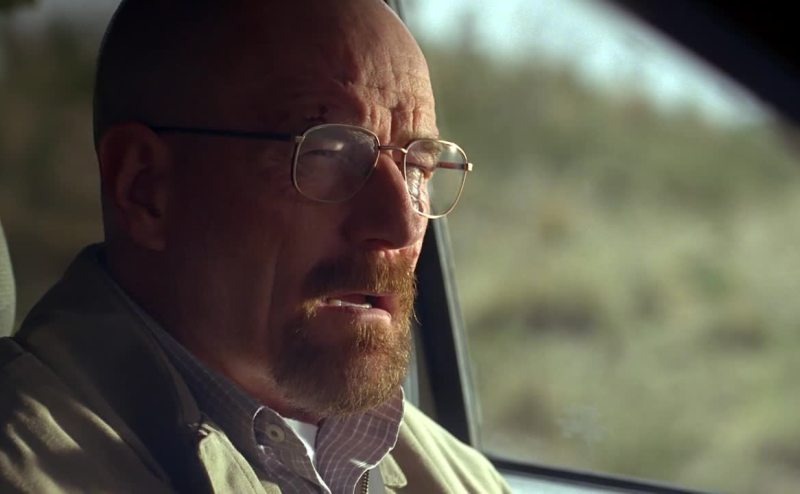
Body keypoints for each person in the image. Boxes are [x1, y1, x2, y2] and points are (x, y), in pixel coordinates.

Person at [0, 0, 510, 492]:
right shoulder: (26, 467)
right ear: (145, 187)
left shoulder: (463, 479)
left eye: (419, 166)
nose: (400, 226)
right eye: (327, 153)